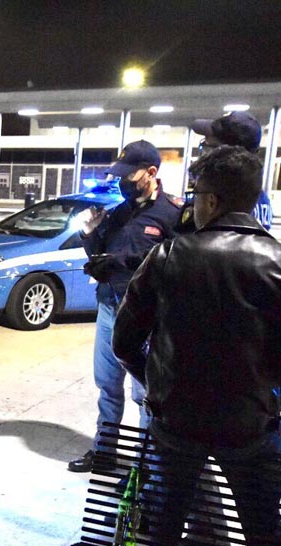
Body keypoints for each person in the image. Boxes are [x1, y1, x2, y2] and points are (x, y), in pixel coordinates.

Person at [112, 145, 281, 546]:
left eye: (196, 196)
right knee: (264, 532)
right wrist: (263, 377)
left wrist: (159, 382)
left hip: (175, 422)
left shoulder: (166, 256)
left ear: (212, 201)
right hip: (251, 424)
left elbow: (125, 343)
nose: (192, 205)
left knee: (165, 528)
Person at [67, 140, 182, 473]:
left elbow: (175, 265)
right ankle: (104, 453)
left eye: (128, 175)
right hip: (109, 305)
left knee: (144, 394)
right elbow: (100, 253)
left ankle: (145, 467)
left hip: (146, 313)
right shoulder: (120, 211)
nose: (122, 182)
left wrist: (124, 262)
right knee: (107, 384)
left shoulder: (173, 213)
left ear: (151, 173)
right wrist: (91, 235)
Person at [179, 111, 274, 231]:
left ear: (228, 155)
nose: (203, 154)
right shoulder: (258, 197)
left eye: (207, 146)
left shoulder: (214, 198)